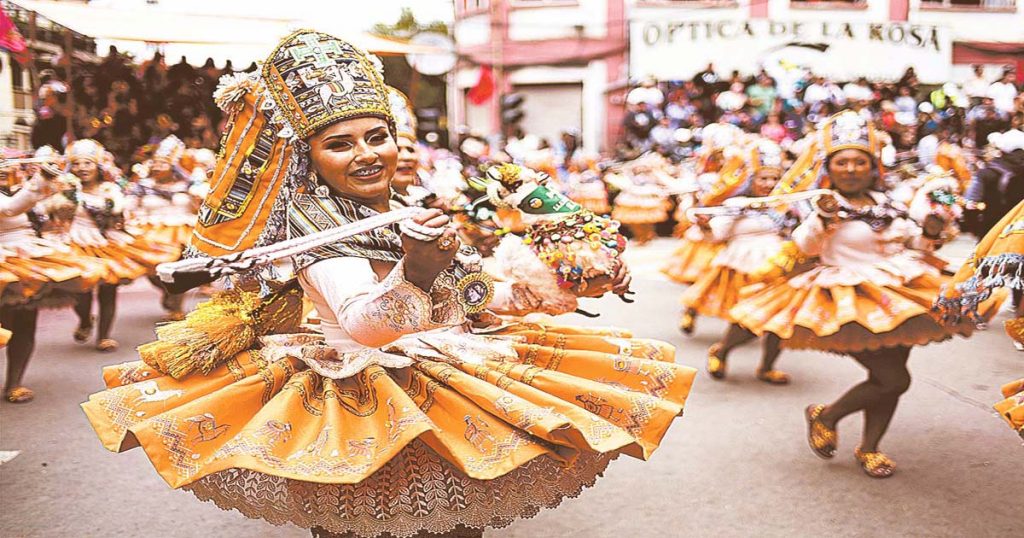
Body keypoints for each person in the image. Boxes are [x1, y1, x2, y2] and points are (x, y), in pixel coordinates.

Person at [81, 30, 697, 538]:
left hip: (450, 379)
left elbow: (482, 302)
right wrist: (418, 268)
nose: (368, 153)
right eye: (339, 144)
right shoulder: (315, 228)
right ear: (308, 158)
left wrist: (577, 279)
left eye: (377, 136)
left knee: (458, 529)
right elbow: (366, 325)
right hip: (357, 395)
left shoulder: (410, 207)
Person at [730, 111, 1004, 478]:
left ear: (873, 166)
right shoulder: (821, 203)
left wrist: (932, 230)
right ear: (830, 167)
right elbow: (805, 246)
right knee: (893, 379)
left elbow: (915, 244)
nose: (852, 169)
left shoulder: (888, 202)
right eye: (843, 162)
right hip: (847, 299)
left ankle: (870, 447)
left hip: (899, 290)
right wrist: (824, 218)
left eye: (860, 161)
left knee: (890, 378)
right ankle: (826, 415)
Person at [42, 139, 178, 351]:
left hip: (108, 242)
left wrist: (113, 205)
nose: (82, 168)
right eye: (77, 164)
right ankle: (86, 320)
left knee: (108, 288)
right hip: (77, 242)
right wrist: (66, 193)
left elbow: (118, 209)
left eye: (87, 163)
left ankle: (104, 336)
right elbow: (55, 212)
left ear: (97, 166)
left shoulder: (109, 188)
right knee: (81, 290)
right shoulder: (66, 189)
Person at [681, 140, 792, 384]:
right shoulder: (734, 205)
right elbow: (715, 236)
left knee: (779, 322)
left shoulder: (786, 205)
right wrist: (705, 224)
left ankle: (766, 367)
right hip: (742, 265)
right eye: (763, 179)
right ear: (750, 180)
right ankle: (722, 350)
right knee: (746, 319)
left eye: (774, 179)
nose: (769, 184)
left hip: (779, 265)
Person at [1, 149, 103, 402]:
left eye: (5, 163)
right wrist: (41, 180)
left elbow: (49, 215)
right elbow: (10, 209)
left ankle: (14, 383)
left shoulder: (26, 189)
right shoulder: (25, 192)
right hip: (4, 262)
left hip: (28, 260)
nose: (2, 168)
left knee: (25, 322)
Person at [125, 135, 202, 320]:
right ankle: (168, 291)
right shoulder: (143, 186)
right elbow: (129, 206)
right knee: (152, 270)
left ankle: (177, 304)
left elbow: (203, 202)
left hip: (184, 232)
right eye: (155, 163)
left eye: (163, 163)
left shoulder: (188, 185)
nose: (158, 166)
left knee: (181, 270)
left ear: (174, 166)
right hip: (151, 232)